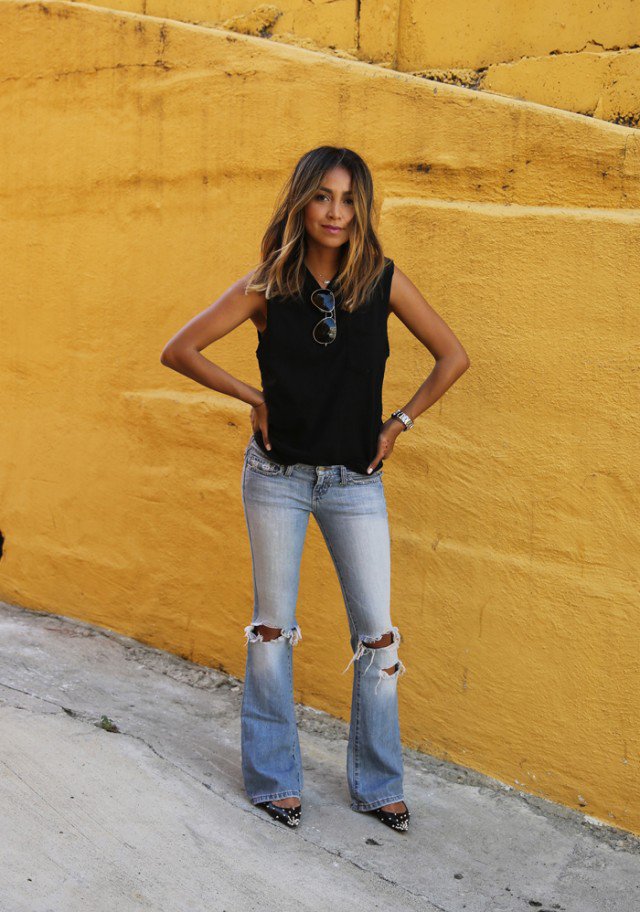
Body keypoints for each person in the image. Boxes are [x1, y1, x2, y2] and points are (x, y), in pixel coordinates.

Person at [160, 145, 470, 833]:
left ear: (362, 208)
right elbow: (180, 349)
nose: (336, 212)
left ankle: (378, 782)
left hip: (354, 482)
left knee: (379, 639)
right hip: (277, 478)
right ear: (302, 201)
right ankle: (275, 778)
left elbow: (454, 356)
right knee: (272, 631)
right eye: (324, 196)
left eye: (349, 198)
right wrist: (252, 396)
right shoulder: (268, 284)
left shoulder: (383, 281)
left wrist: (399, 424)